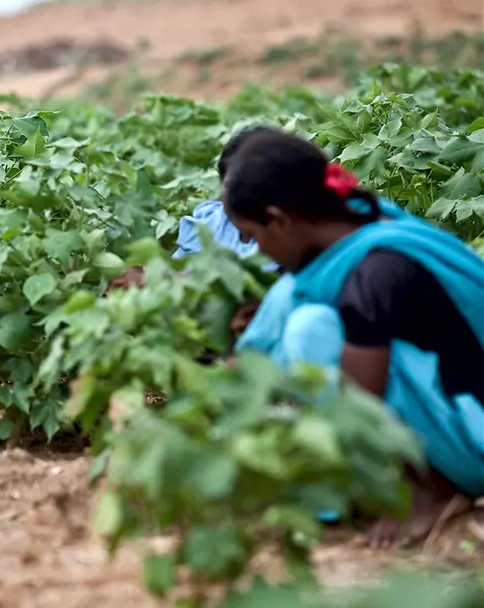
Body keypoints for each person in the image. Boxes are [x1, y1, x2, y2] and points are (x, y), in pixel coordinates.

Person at [224, 127, 484, 548]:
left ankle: (431, 493)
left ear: (280, 220)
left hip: (473, 438)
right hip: (454, 419)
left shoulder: (374, 273)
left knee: (311, 330)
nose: (257, 250)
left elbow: (359, 409)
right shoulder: (370, 226)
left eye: (254, 236)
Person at [109, 125, 277, 335]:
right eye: (230, 188)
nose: (240, 198)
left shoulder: (281, 235)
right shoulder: (209, 221)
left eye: (253, 189)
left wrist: (156, 281)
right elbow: (181, 269)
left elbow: (244, 289)